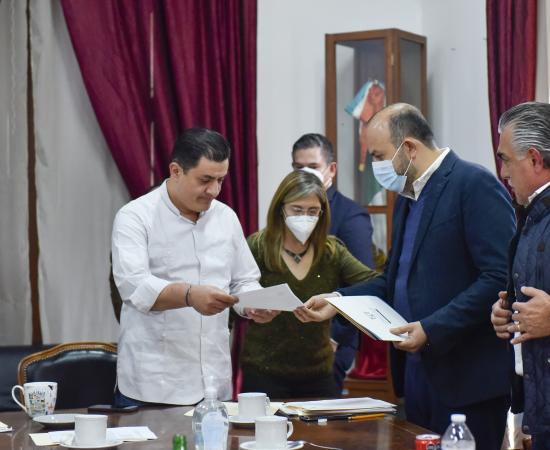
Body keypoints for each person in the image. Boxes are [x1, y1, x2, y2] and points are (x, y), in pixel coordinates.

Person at [294, 103, 516, 450]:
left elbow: (499, 277)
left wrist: (432, 328)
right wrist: (338, 301)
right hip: (416, 375)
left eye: (379, 156)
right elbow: (393, 280)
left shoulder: (473, 184)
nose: (376, 167)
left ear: (409, 148)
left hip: (466, 381)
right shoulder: (407, 198)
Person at [111, 128, 277, 406]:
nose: (214, 190)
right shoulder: (135, 217)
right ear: (176, 171)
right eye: (205, 180)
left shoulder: (226, 217)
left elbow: (243, 280)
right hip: (153, 382)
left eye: (220, 180)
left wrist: (254, 304)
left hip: (213, 380)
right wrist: (189, 295)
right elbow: (135, 287)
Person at [241, 170, 378, 398]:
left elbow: (373, 284)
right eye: (297, 210)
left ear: (322, 213)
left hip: (319, 374)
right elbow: (233, 297)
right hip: (263, 373)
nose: (305, 217)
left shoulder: (332, 251)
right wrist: (249, 308)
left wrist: (337, 302)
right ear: (281, 208)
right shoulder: (257, 246)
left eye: (312, 211)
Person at [291, 133, 383, 390]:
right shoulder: (288, 210)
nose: (305, 174)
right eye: (298, 168)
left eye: (313, 166)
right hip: (289, 338)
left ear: (331, 169)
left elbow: (363, 284)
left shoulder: (350, 216)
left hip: (332, 340)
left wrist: (335, 338)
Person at [490, 102, 550, 449]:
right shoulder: (532, 215)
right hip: (537, 405)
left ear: (535, 159)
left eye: (506, 159)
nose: (503, 172)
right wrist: (509, 312)